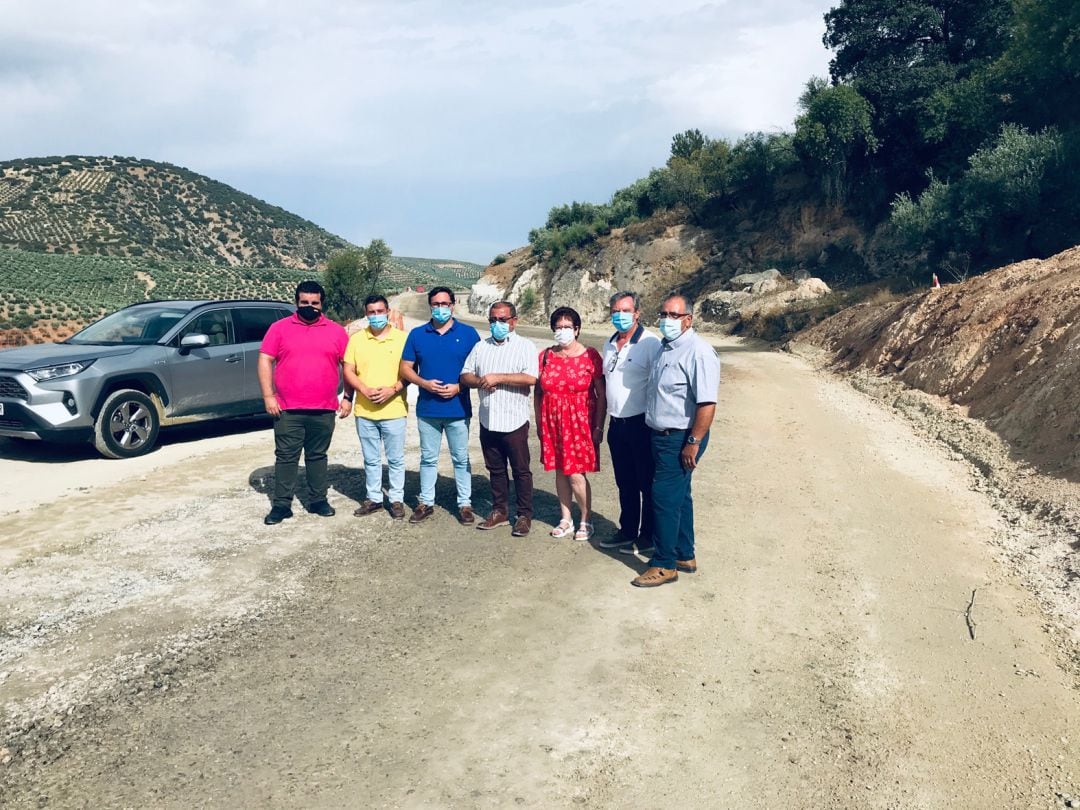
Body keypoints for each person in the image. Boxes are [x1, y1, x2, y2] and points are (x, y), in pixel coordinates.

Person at [633, 293, 721, 588]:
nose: (666, 320)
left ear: (688, 320)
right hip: (660, 435)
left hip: (681, 436)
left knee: (664, 498)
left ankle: (664, 564)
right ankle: (684, 554)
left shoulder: (699, 352)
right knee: (680, 496)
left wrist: (694, 441)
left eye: (673, 315)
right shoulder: (664, 348)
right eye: (663, 314)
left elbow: (707, 404)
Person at [258, 280, 351, 525]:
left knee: (317, 455)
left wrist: (348, 398)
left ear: (322, 304)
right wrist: (268, 396)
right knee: (286, 457)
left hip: (323, 408)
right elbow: (265, 359)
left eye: (314, 303)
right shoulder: (279, 329)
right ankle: (281, 505)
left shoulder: (336, 331)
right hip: (287, 408)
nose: (309, 307)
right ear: (296, 302)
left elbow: (349, 366)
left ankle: (318, 501)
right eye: (304, 303)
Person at [399, 287, 481, 525]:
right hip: (428, 410)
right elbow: (405, 368)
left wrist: (460, 387)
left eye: (445, 304)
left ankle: (464, 504)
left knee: (461, 457)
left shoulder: (468, 334)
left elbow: (477, 370)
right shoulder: (417, 334)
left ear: (453, 305)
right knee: (428, 458)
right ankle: (426, 502)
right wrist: (423, 383)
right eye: (436, 304)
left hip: (458, 409)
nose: (440, 308)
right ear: (430, 306)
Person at [460, 301, 539, 537]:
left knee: (521, 470)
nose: (498, 324)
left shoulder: (525, 346)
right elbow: (465, 375)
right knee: (495, 469)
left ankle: (524, 515)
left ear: (514, 321)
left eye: (502, 320)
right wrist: (481, 381)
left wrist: (498, 378)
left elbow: (530, 378)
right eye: (493, 320)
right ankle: (500, 511)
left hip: (514, 420)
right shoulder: (480, 347)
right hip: (488, 418)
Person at [596, 291, 662, 555]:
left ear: (637, 313)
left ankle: (648, 536)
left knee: (647, 482)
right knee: (625, 481)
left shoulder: (650, 343)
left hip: (642, 424)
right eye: (615, 310)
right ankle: (627, 530)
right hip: (617, 424)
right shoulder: (609, 343)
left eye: (625, 310)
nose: (619, 315)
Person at [534, 306, 606, 541]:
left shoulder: (590, 355)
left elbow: (601, 395)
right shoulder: (545, 356)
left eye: (567, 327)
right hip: (552, 422)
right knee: (560, 472)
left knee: (576, 474)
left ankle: (586, 519)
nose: (563, 331)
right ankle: (565, 518)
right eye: (558, 327)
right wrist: (539, 423)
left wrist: (598, 426)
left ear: (577, 329)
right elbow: (538, 393)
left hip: (580, 424)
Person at [344, 294, 408, 519]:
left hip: (394, 409)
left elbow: (411, 372)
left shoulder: (402, 339)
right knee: (370, 458)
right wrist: (361, 390)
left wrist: (394, 389)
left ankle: (397, 499)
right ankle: (374, 499)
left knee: (396, 458)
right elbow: (348, 370)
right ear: (366, 314)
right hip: (365, 410)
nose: (376, 316)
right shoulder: (357, 340)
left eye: (380, 311)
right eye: (371, 312)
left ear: (388, 312)